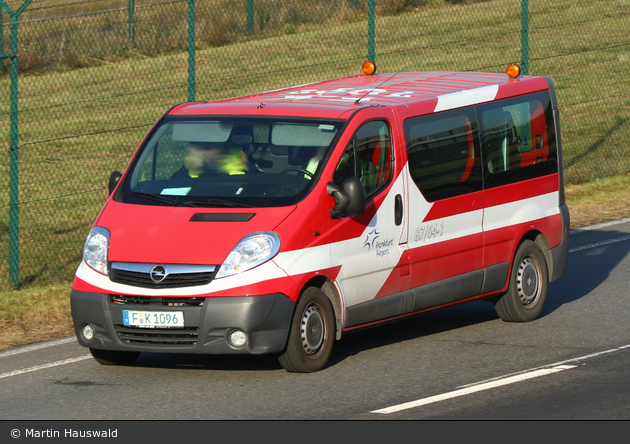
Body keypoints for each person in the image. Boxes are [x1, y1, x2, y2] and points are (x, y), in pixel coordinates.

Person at [173, 142, 249, 178]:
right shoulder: (191, 165)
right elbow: (175, 183)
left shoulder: (238, 161)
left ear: (221, 146)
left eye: (208, 147)